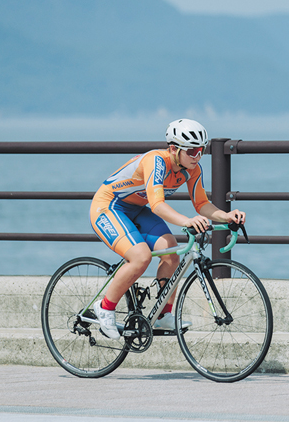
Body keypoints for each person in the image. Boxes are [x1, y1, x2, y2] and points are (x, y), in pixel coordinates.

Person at [89, 119, 246, 339]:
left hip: (136, 209)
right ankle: (105, 308)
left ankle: (163, 315)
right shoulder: (156, 161)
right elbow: (157, 205)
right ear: (173, 148)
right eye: (192, 151)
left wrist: (226, 215)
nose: (197, 156)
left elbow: (201, 204)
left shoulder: (192, 170)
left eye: (202, 150)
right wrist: (186, 221)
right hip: (109, 206)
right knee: (140, 257)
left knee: (171, 253)